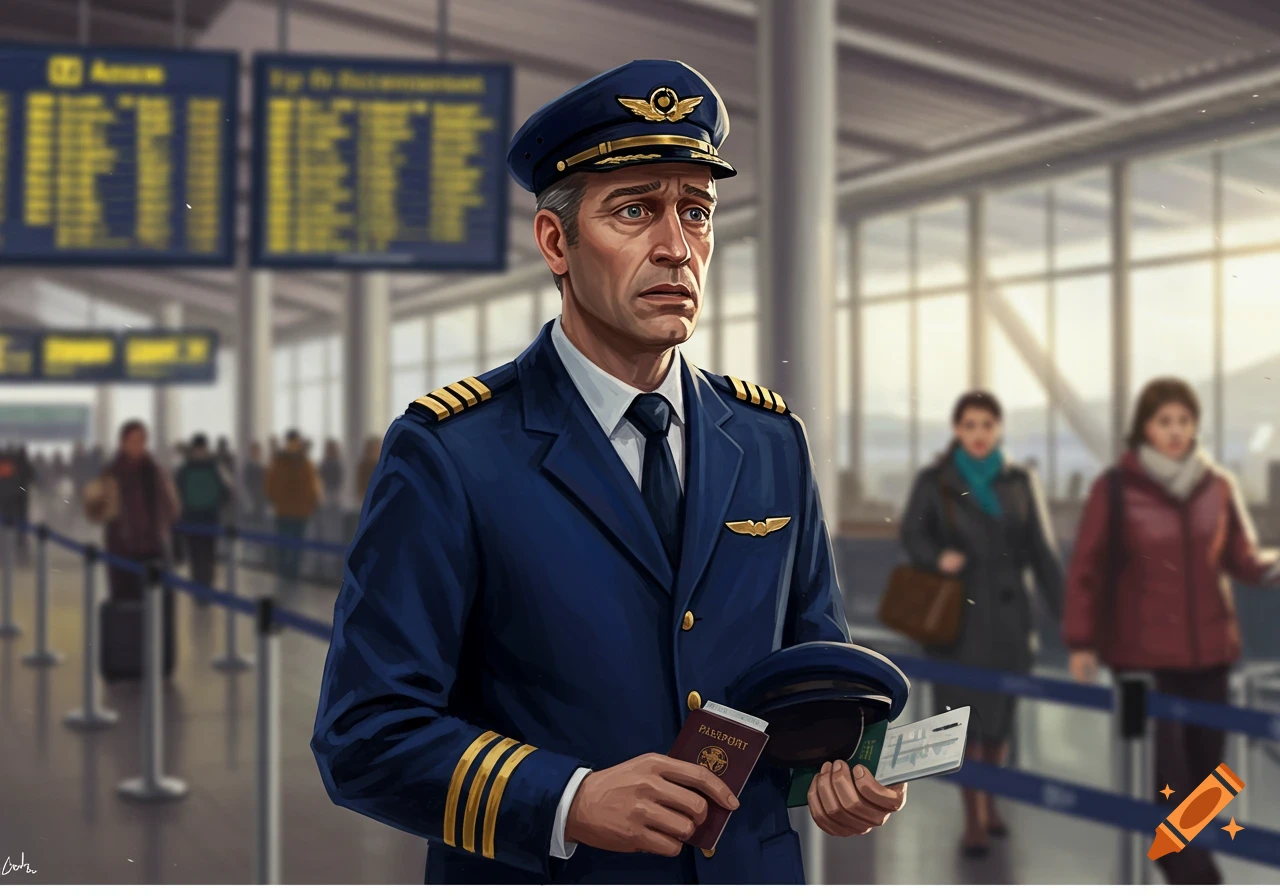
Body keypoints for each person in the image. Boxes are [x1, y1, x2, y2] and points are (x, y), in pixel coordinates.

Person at [312, 60, 907, 886]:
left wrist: (834, 773)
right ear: (555, 242)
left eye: (695, 212)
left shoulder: (771, 440)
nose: (675, 246)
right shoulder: (452, 452)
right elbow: (364, 733)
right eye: (635, 210)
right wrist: (568, 800)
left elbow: (809, 668)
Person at [1063, 377, 1280, 885]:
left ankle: (1186, 860)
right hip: (1143, 665)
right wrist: (1079, 642)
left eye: (1185, 421)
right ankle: (1199, 879)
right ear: (1145, 427)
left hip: (1212, 655)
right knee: (1166, 785)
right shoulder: (1114, 489)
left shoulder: (1217, 486)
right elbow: (1086, 570)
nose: (1177, 431)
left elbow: (1242, 560)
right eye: (1165, 421)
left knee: (1211, 784)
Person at [899, 391, 1063, 857]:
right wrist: (937, 557)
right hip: (959, 622)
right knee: (966, 727)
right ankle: (973, 817)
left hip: (1011, 622)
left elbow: (1043, 553)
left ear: (998, 429)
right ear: (957, 430)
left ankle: (990, 806)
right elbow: (912, 532)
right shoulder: (936, 480)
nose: (978, 434)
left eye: (986, 425)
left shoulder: (1020, 480)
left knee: (999, 726)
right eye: (969, 425)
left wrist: (1072, 625)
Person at [83, 421, 179, 603]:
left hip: (153, 548)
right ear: (123, 442)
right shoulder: (110, 473)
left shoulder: (156, 472)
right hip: (122, 550)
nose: (137, 445)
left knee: (157, 606)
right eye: (132, 440)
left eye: (141, 440)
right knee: (126, 605)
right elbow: (95, 512)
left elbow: (172, 509)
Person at [175, 433, 232, 591]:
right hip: (209, 517)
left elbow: (177, 493)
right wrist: (218, 505)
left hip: (191, 518)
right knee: (208, 554)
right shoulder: (215, 468)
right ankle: (206, 586)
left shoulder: (184, 469)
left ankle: (199, 586)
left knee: (196, 555)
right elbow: (227, 491)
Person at [264, 429, 320, 588]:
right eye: (291, 443)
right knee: (284, 547)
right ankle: (284, 576)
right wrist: (277, 501)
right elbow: (271, 485)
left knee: (296, 548)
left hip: (300, 512)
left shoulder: (304, 463)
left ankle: (292, 577)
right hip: (285, 511)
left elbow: (312, 486)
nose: (293, 446)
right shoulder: (280, 462)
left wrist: (311, 503)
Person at [241, 440, 267, 522]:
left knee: (260, 513)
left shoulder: (262, 464)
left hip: (261, 493)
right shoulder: (248, 465)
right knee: (253, 514)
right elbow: (246, 481)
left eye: (257, 451)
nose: (256, 453)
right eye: (254, 451)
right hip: (253, 493)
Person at [353, 436, 381, 507]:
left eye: (376, 449)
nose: (373, 452)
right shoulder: (362, 466)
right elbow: (359, 487)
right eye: (372, 449)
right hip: (363, 501)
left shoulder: (384, 466)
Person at [319, 439, 344, 508]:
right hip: (326, 488)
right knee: (326, 505)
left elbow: (340, 476)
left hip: (335, 488)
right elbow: (321, 475)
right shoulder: (324, 463)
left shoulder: (338, 463)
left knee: (336, 505)